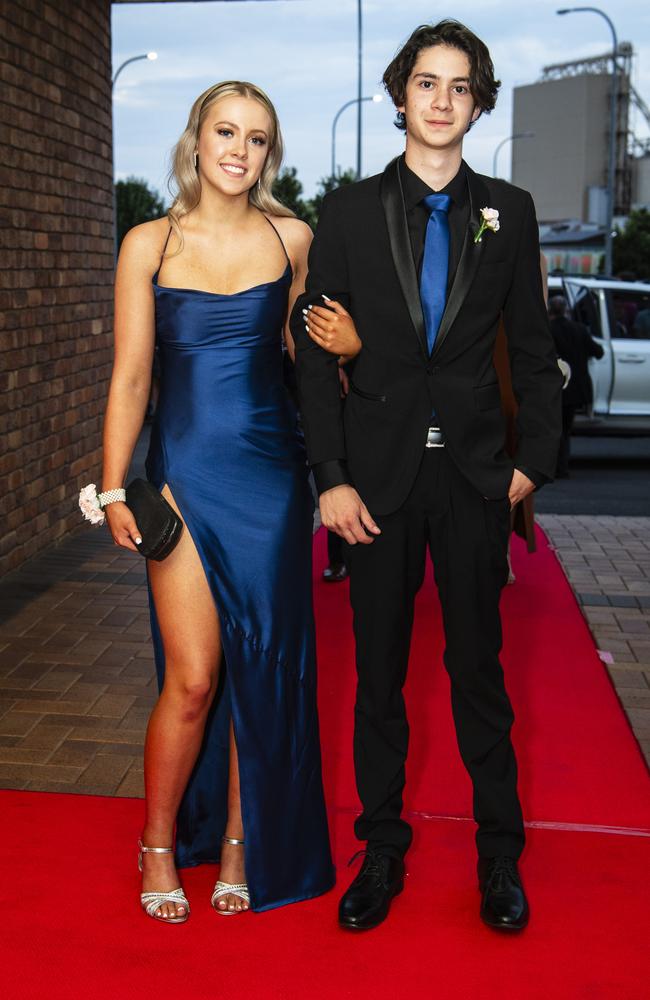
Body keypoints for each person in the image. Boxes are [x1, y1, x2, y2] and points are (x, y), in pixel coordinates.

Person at [292, 20, 562, 932]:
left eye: (460, 87)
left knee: (479, 673)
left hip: (478, 480)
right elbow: (309, 348)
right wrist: (328, 473)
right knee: (378, 678)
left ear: (477, 103)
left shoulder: (511, 211)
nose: (442, 101)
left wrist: (534, 461)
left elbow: (532, 348)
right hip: (375, 481)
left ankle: (499, 861)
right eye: (426, 83)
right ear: (399, 93)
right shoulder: (349, 212)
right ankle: (382, 852)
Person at [101, 81, 334, 923]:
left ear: (271, 154)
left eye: (259, 138)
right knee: (195, 679)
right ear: (197, 139)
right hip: (183, 480)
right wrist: (111, 484)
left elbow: (308, 362)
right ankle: (158, 844)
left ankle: (242, 844)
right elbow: (131, 375)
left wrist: (350, 354)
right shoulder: (148, 244)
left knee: (261, 672)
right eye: (226, 131)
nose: (240, 150)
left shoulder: (293, 238)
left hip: (272, 480)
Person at [548, 294, 604, 477]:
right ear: (566, 310)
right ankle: (562, 466)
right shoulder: (579, 329)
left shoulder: (547, 329)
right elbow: (598, 352)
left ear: (550, 310)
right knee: (566, 427)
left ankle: (553, 465)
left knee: (552, 427)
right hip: (575, 388)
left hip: (553, 387)